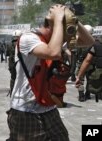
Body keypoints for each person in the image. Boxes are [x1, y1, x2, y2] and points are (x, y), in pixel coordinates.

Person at [6, 4, 94, 141]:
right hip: (24, 109)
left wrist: (73, 19)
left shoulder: (56, 41)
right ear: (53, 25)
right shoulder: (28, 38)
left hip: (47, 106)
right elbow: (52, 52)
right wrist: (58, 19)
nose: (69, 34)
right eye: (67, 29)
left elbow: (89, 41)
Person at [76, 35, 102, 102]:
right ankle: (87, 93)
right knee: (88, 78)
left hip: (83, 63)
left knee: (81, 79)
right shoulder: (93, 42)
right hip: (91, 64)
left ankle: (81, 95)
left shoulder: (79, 41)